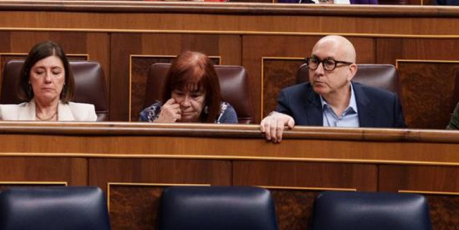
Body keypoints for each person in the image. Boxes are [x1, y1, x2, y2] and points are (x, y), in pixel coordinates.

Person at [260, 35, 407, 142]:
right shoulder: (292, 99)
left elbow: (401, 152)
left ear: (351, 71)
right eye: (314, 61)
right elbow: (279, 120)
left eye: (329, 63)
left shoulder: (386, 104)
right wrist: (275, 120)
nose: (318, 71)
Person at [0, 41, 96, 122]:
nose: (48, 79)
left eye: (55, 72)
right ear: (28, 77)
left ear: (65, 78)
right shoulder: (7, 116)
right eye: (39, 72)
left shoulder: (85, 116)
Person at [138, 51, 238, 124]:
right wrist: (159, 127)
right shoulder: (149, 116)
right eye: (179, 94)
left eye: (194, 96)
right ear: (170, 92)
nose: (185, 104)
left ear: (208, 96)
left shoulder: (224, 115)